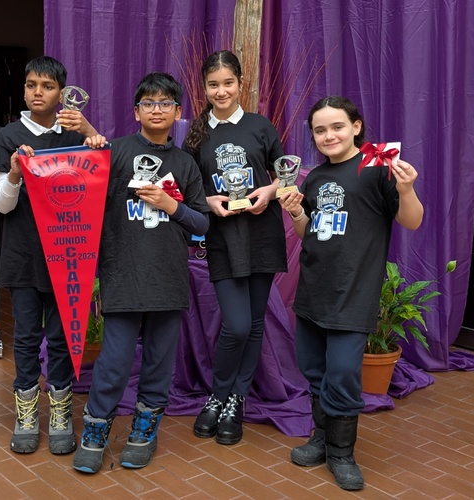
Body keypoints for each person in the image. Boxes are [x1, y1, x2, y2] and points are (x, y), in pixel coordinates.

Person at [279, 95, 423, 491]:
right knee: (313, 369)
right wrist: (296, 212)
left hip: (353, 293)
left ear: (356, 127)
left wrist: (407, 189)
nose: (329, 136)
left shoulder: (377, 169)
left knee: (342, 373)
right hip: (313, 290)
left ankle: (342, 453)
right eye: (320, 130)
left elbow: (412, 220)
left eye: (337, 126)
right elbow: (311, 233)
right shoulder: (316, 178)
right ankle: (321, 439)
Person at [70, 72, 210, 474]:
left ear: (178, 112)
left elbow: (202, 224)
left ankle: (143, 434)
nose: (157, 110)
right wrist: (90, 147)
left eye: (166, 103)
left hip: (167, 280)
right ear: (136, 111)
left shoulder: (185, 164)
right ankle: (95, 433)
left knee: (158, 364)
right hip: (123, 276)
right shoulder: (114, 152)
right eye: (149, 103)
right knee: (113, 363)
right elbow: (80, 196)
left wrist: (170, 205)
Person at [0, 55, 104, 455]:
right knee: (25, 337)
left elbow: (100, 184)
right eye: (31, 85)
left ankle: (60, 413)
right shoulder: (8, 136)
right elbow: (1, 204)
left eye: (47, 86)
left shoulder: (75, 134)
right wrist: (15, 173)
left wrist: (93, 136)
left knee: (61, 337)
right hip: (23, 255)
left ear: (62, 93)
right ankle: (26, 414)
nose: (38, 92)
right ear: (24, 90)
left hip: (68, 256)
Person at [182, 50, 288, 446]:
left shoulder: (261, 126)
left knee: (255, 324)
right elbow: (187, 189)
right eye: (213, 84)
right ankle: (217, 394)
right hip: (223, 238)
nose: (221, 91)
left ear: (241, 84)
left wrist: (270, 191)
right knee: (237, 324)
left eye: (228, 83)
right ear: (204, 88)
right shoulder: (196, 134)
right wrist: (207, 201)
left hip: (262, 233)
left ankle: (235, 400)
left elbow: (285, 175)